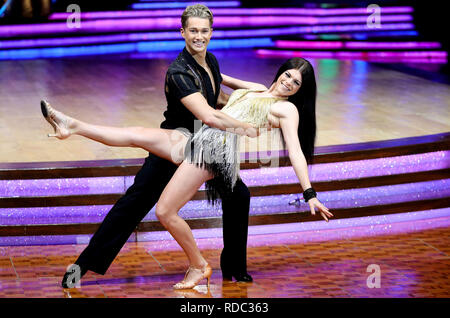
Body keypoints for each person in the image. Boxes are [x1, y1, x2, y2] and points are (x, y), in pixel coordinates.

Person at [41, 56, 333, 289]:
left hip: (214, 151)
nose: (289, 83)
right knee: (136, 134)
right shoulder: (257, 87)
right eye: (288, 75)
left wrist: (309, 192)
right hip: (198, 135)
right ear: (280, 72)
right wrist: (183, 69)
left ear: (300, 90)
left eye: (296, 83)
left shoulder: (287, 110)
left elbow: (294, 149)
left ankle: (199, 266)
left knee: (166, 211)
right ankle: (72, 126)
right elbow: (218, 79)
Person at [57, 4, 257, 289]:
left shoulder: (210, 61)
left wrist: (258, 103)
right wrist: (247, 128)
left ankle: (234, 265)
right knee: (133, 204)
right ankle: (81, 267)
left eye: (204, 31)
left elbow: (218, 100)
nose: (198, 36)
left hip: (205, 146)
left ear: (211, 32)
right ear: (183, 32)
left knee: (239, 195)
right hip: (173, 146)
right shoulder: (177, 72)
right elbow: (208, 115)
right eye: (193, 31)